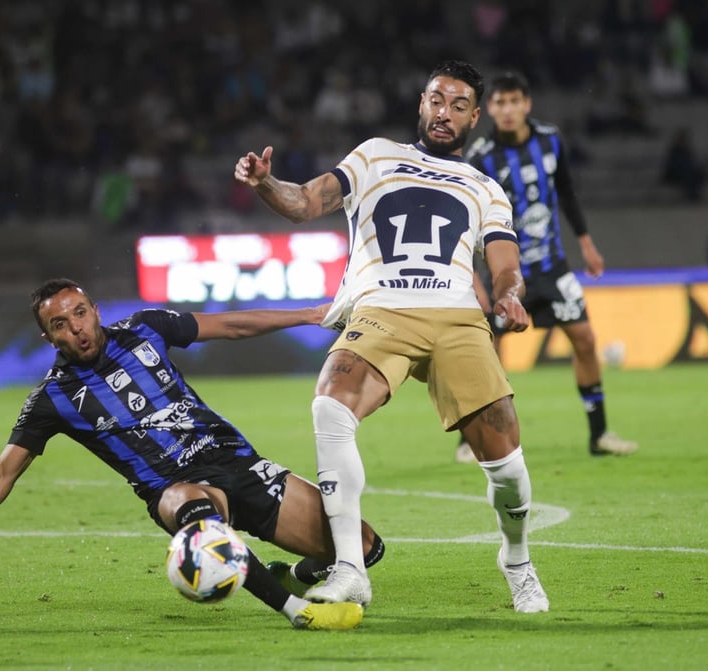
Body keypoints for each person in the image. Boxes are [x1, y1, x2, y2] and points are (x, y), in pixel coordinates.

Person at [234, 60, 550, 613]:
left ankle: (517, 558)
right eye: (435, 100)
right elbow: (306, 201)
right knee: (330, 407)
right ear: (421, 103)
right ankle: (351, 570)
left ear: (474, 117)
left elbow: (504, 262)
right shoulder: (376, 155)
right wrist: (266, 183)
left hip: (456, 316)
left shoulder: (485, 187)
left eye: (457, 106)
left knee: (507, 467)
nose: (443, 113)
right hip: (382, 309)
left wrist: (508, 293)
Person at [0, 278, 386, 631]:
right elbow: (4, 471)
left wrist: (307, 314)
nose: (76, 329)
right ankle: (297, 611)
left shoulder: (147, 329)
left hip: (238, 462)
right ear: (48, 338)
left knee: (364, 548)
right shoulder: (53, 398)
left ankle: (289, 572)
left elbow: (230, 324)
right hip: (176, 489)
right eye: (60, 324)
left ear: (94, 310)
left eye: (79, 313)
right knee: (197, 516)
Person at [462, 70, 638, 461]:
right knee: (487, 351)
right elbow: (468, 218)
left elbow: (566, 193)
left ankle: (599, 434)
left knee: (587, 340)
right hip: (506, 274)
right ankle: (473, 438)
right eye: (499, 103)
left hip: (554, 268)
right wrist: (474, 274)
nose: (506, 110)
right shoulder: (480, 156)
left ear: (527, 104)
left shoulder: (550, 141)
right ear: (489, 108)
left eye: (513, 102)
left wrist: (587, 244)